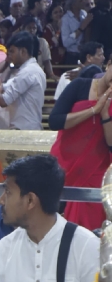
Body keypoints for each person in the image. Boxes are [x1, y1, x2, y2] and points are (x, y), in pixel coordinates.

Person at [49, 62, 112, 231]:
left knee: (88, 226)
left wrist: (105, 113)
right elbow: (55, 121)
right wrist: (93, 110)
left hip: (95, 168)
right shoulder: (80, 86)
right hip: (64, 162)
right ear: (108, 66)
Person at [0, 31, 46, 131]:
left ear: (23, 52)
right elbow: (3, 88)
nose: (9, 56)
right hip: (25, 127)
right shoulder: (30, 70)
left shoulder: (28, 72)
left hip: (24, 130)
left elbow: (4, 101)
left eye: (12, 51)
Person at [61, 0, 91, 64]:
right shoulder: (65, 19)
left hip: (84, 55)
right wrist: (81, 28)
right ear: (73, 5)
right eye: (81, 0)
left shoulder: (84, 14)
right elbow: (66, 42)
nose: (84, 2)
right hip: (72, 56)